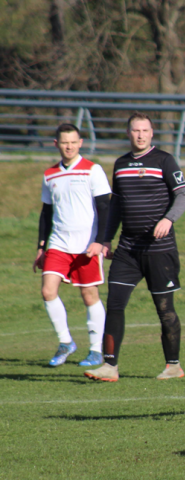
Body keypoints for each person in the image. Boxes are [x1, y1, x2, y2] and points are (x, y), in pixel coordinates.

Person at [84, 112, 185, 382]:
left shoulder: (164, 161)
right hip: (128, 250)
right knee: (115, 304)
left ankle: (173, 365)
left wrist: (168, 219)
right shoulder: (120, 164)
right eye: (135, 130)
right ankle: (110, 366)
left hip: (159, 251)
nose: (140, 135)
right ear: (128, 134)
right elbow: (116, 205)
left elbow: (182, 195)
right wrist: (106, 238)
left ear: (152, 133)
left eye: (145, 130)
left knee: (165, 310)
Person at [34, 123, 111, 367]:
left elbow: (105, 208)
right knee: (48, 291)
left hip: (87, 245)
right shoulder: (50, 174)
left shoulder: (92, 170)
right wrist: (41, 247)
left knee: (89, 295)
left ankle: (96, 350)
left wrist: (100, 241)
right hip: (58, 243)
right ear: (56, 144)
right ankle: (66, 342)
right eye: (64, 142)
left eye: (73, 142)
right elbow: (46, 212)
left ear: (80, 143)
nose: (69, 146)